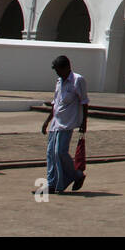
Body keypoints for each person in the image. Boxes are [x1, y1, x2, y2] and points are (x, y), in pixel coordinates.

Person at [39, 55, 88, 194]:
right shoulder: (59, 81)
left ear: (67, 67)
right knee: (50, 153)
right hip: (56, 122)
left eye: (59, 70)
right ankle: (52, 182)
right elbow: (55, 103)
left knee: (60, 152)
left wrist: (84, 123)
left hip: (68, 122)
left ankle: (75, 175)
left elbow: (84, 102)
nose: (58, 74)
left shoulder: (78, 80)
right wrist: (47, 121)